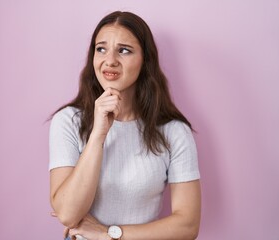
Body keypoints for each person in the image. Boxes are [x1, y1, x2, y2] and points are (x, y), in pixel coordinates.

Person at [49, 11, 201, 240]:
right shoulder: (68, 121)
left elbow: (188, 226)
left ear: (145, 60)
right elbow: (69, 214)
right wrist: (98, 135)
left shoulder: (174, 131)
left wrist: (108, 235)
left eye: (124, 50)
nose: (110, 60)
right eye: (101, 49)